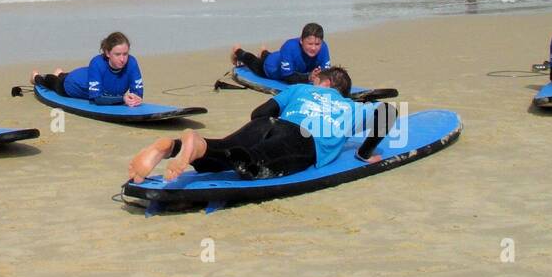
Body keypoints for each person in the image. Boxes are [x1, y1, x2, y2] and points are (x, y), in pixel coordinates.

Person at [128, 66, 395, 183]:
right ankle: (195, 144)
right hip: (303, 138)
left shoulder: (300, 89)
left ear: (324, 83)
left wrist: (265, 130)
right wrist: (363, 153)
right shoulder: (350, 106)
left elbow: (258, 113)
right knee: (253, 165)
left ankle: (174, 146)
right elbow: (389, 112)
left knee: (223, 150)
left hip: (270, 123)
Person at [31, 31, 144, 107]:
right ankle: (36, 77)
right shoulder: (97, 63)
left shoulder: (132, 63)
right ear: (107, 53)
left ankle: (60, 73)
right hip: (71, 84)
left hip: (87, 75)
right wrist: (123, 98)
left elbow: (138, 93)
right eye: (118, 54)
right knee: (54, 83)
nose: (123, 59)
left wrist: (136, 97)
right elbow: (97, 98)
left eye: (125, 54)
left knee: (69, 75)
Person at [231, 23, 330, 84]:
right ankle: (238, 51)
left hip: (282, 57)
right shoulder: (289, 46)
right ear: (301, 41)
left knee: (270, 56)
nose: (313, 48)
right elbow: (288, 77)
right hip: (271, 68)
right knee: (254, 62)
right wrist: (309, 77)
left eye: (317, 44)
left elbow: (327, 73)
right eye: (310, 44)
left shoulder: (324, 47)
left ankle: (263, 52)